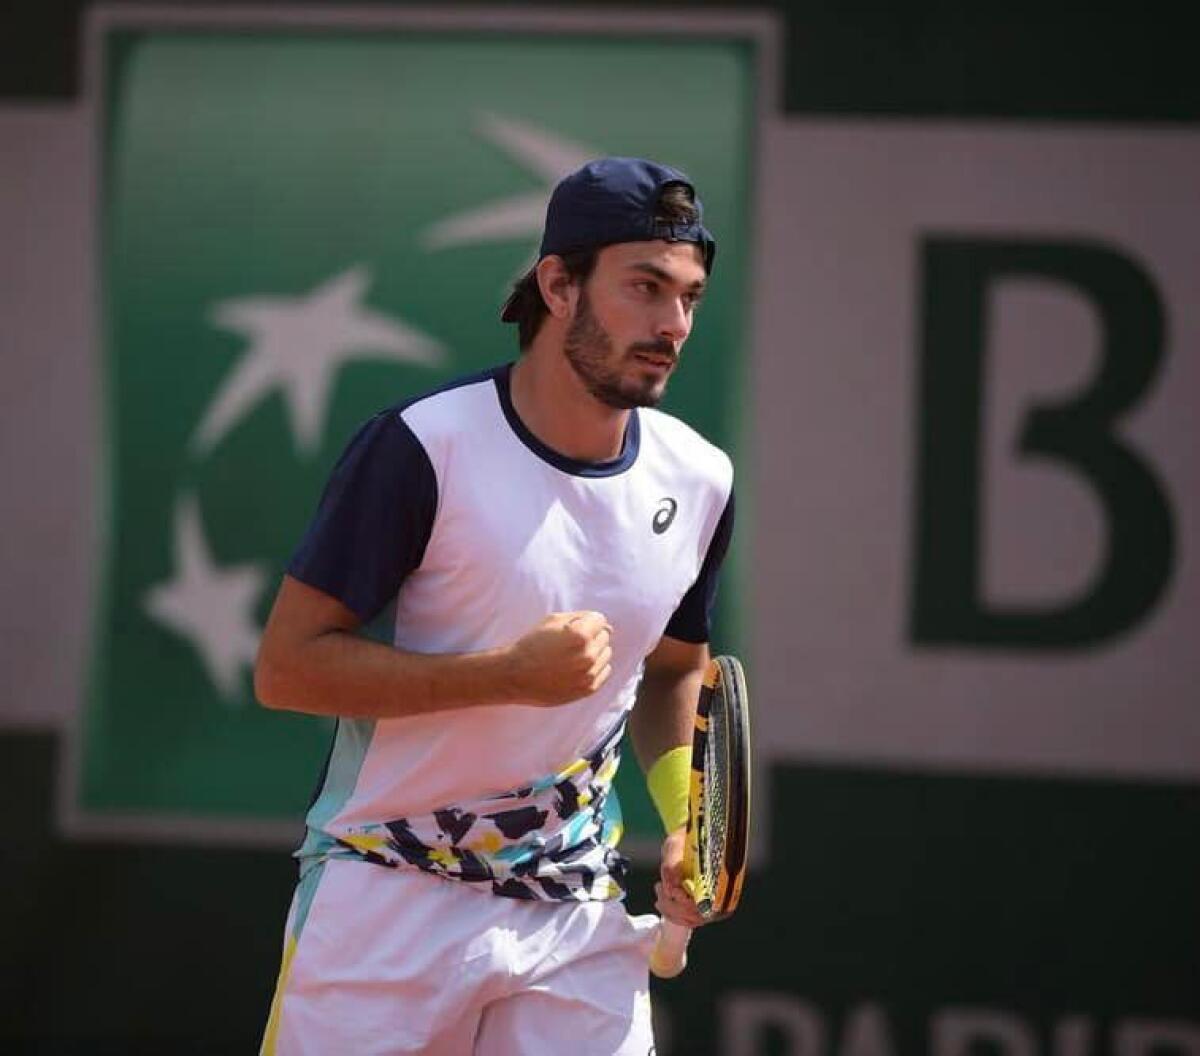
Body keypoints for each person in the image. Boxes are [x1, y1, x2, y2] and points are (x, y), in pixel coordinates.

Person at [255, 156, 735, 1055]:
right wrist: (508, 678)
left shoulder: (701, 479)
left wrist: (683, 821)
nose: (673, 324)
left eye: (690, 297)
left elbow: (673, 671)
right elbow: (288, 668)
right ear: (559, 284)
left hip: (574, 910)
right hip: (385, 898)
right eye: (644, 288)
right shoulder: (421, 448)